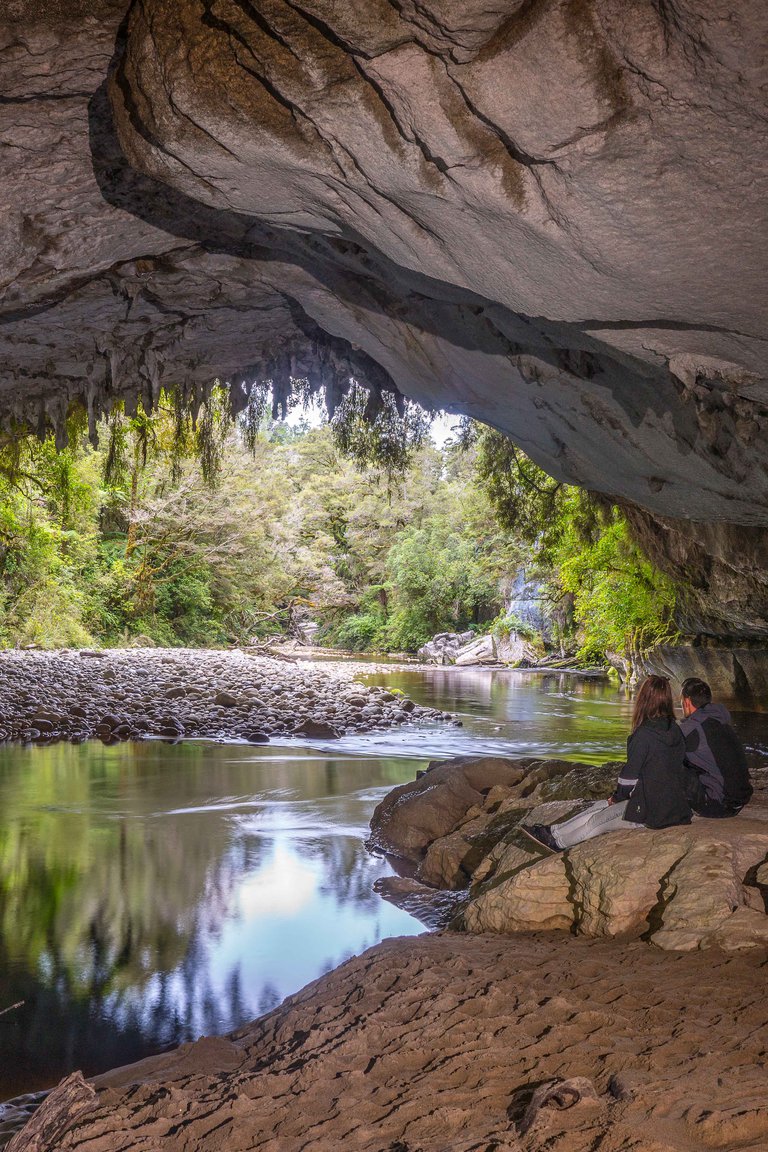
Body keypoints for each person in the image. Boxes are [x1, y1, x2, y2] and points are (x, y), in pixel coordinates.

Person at [525, 675, 692, 852]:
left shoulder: (643, 734)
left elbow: (629, 777)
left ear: (643, 700)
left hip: (653, 813)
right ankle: (553, 831)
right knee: (600, 805)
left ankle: (558, 843)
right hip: (674, 807)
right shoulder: (676, 729)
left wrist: (619, 797)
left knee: (599, 820)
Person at [679, 677, 752, 817]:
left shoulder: (691, 728)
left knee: (668, 763)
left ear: (687, 702)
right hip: (739, 802)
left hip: (717, 806)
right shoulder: (721, 721)